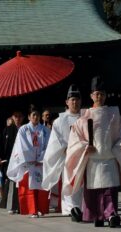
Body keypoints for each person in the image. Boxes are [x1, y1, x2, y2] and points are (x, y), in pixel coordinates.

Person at [63, 76, 121, 227]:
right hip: (92, 160)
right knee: (94, 192)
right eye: (96, 94)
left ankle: (111, 215)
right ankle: (97, 216)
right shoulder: (83, 118)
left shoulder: (115, 116)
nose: (99, 97)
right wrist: (85, 146)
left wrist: (116, 149)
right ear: (91, 96)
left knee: (109, 190)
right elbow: (74, 140)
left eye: (102, 94)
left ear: (106, 96)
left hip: (110, 158)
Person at [42, 84, 84, 221]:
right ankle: (71, 209)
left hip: (84, 158)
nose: (75, 102)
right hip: (69, 158)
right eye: (72, 99)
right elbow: (56, 141)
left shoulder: (86, 117)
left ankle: (83, 208)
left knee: (83, 185)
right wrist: (66, 149)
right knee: (69, 184)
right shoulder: (59, 121)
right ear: (66, 102)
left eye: (77, 99)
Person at [7, 106, 51, 218]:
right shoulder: (23, 129)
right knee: (30, 188)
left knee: (41, 187)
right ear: (29, 117)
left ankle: (41, 208)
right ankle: (33, 210)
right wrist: (32, 158)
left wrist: (41, 157)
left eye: (37, 115)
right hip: (29, 164)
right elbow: (21, 146)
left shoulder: (45, 130)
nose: (35, 117)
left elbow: (49, 145)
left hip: (41, 163)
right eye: (33, 115)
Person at [0, 111, 24, 213]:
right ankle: (12, 206)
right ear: (12, 117)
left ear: (23, 118)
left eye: (19, 116)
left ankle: (22, 206)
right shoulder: (7, 130)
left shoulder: (25, 129)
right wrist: (0, 157)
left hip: (22, 160)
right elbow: (1, 144)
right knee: (12, 182)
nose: (17, 118)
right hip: (11, 160)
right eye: (15, 116)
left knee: (22, 183)